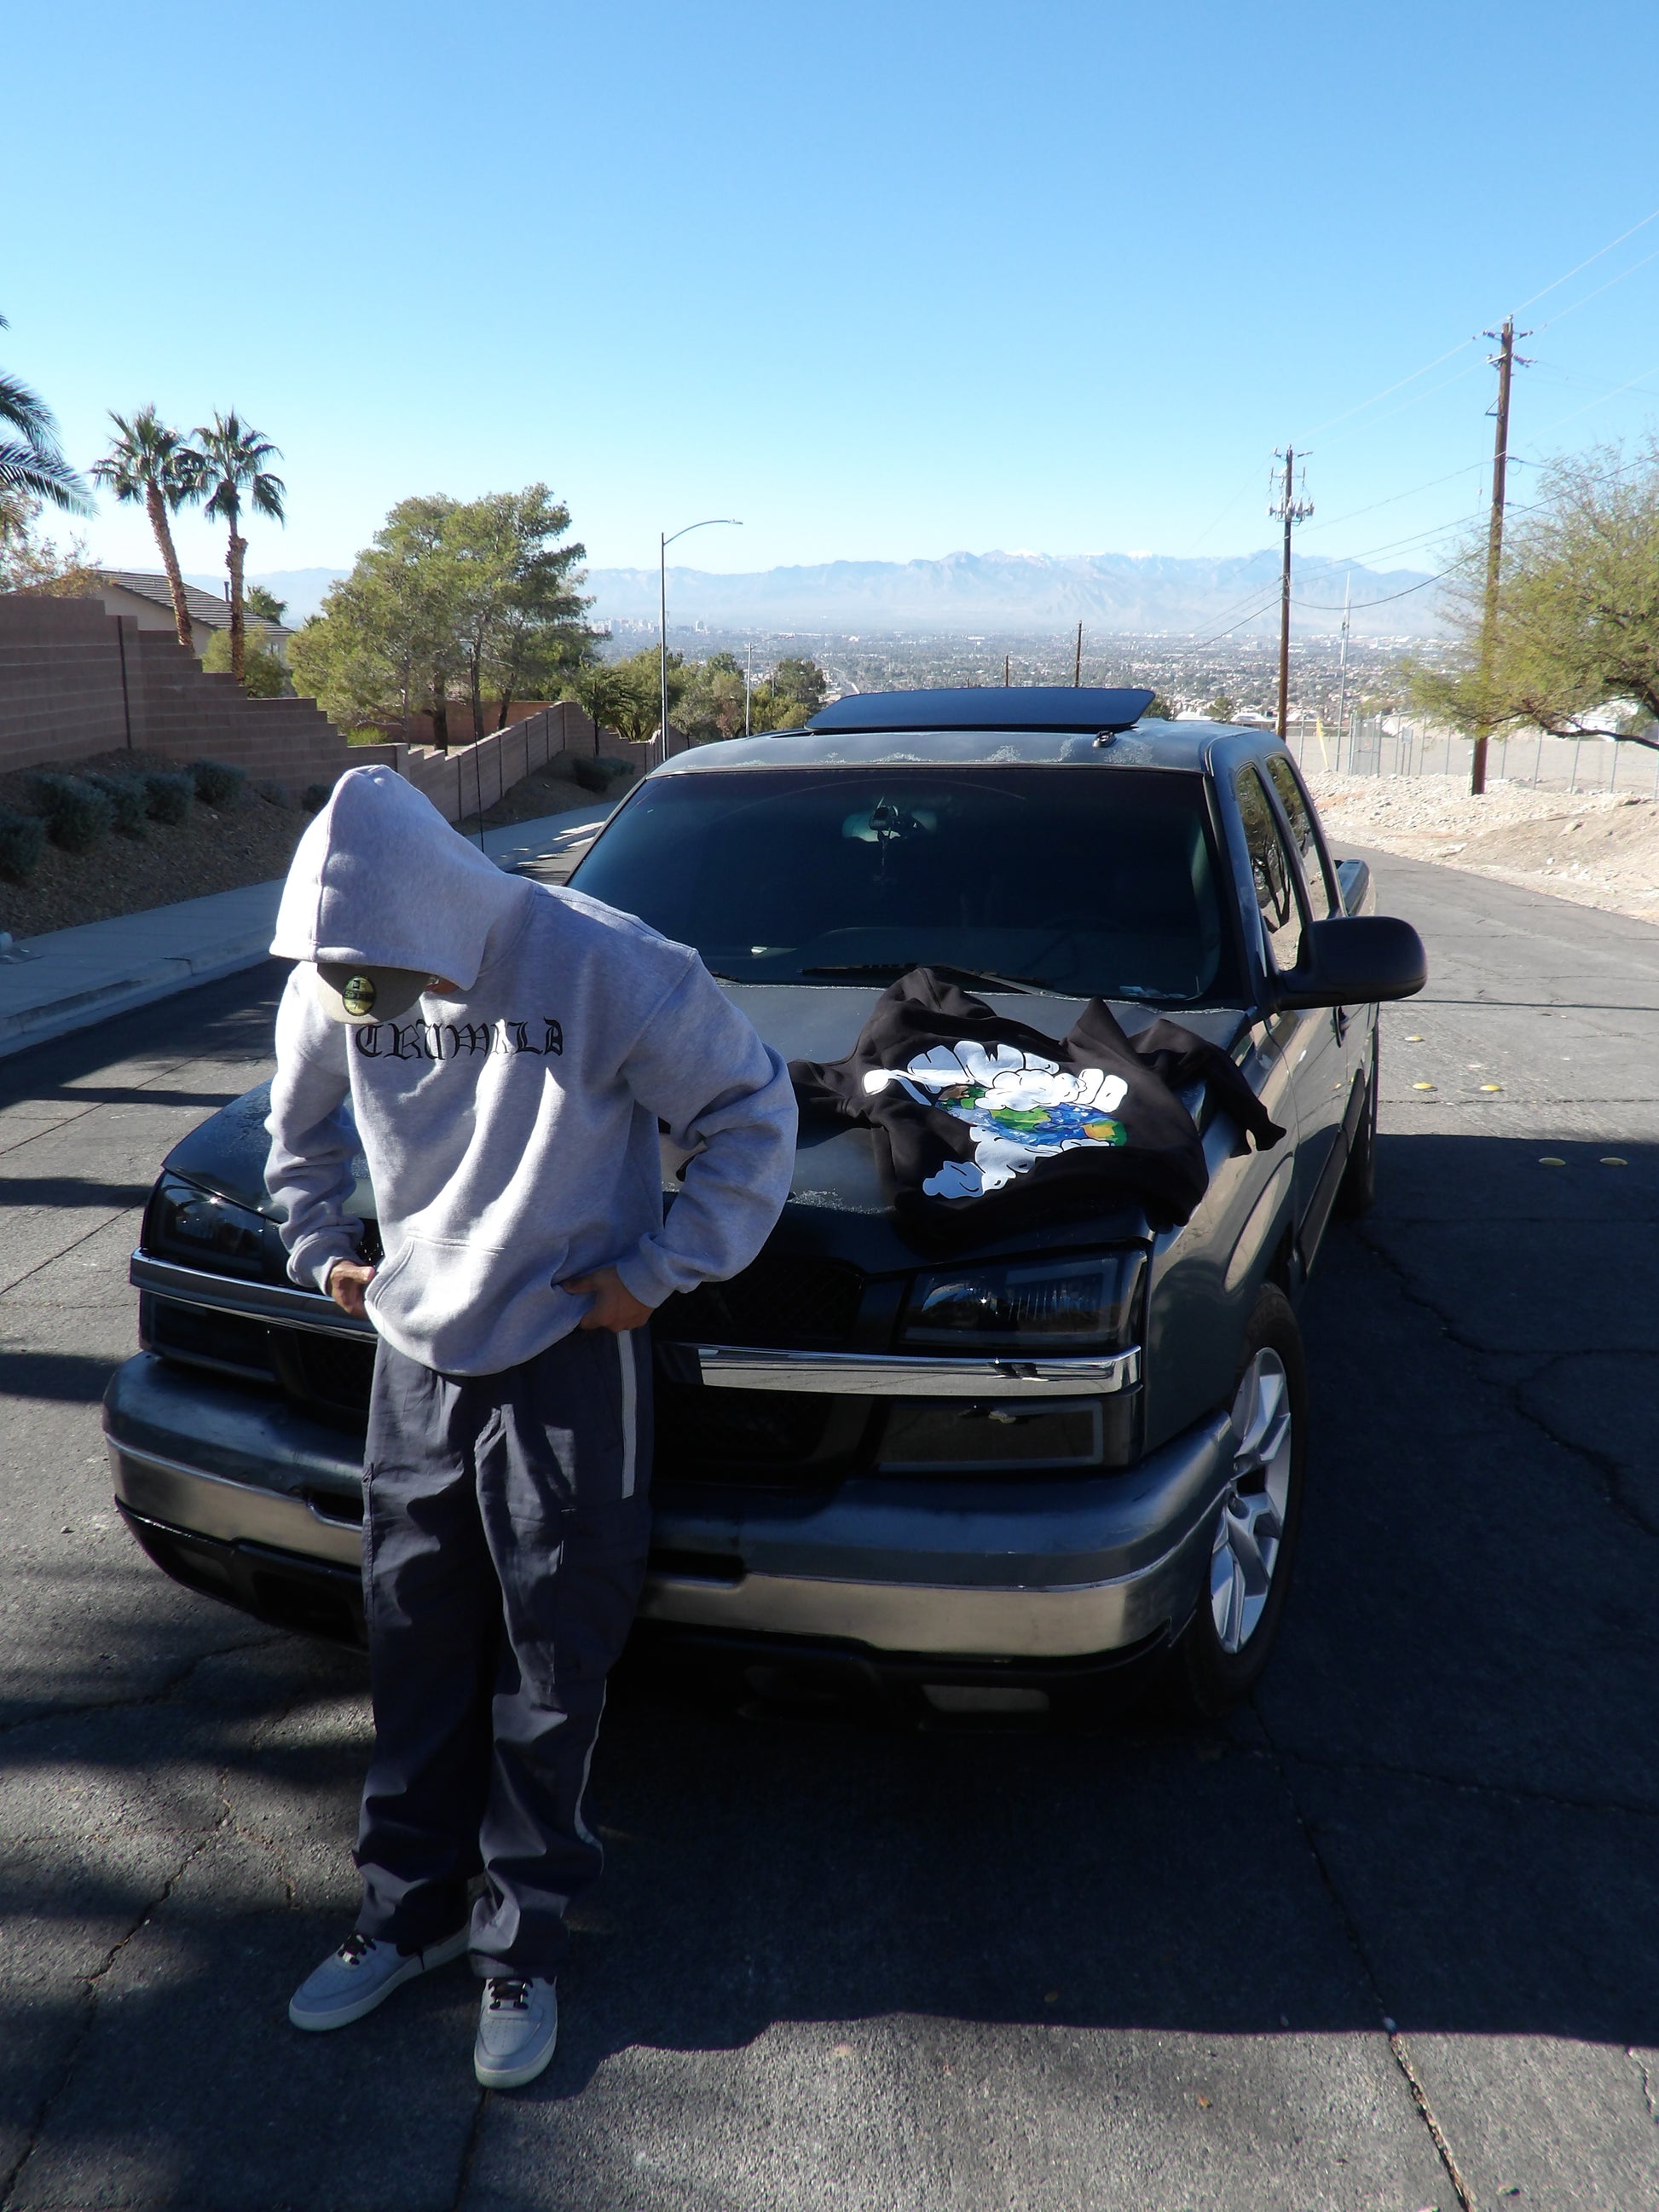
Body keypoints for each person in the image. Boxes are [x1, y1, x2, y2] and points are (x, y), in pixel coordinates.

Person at [265, 764, 795, 2088]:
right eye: (343, 978)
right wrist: (320, 1247)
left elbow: (751, 1112)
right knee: (414, 1639)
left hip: (567, 1352)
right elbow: (294, 1133)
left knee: (554, 1654)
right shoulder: (340, 976)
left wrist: (656, 1272)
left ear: (442, 915)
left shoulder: (607, 964)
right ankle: (406, 1915)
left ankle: (522, 1942)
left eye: (382, 974)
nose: (362, 998)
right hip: (415, 1357)